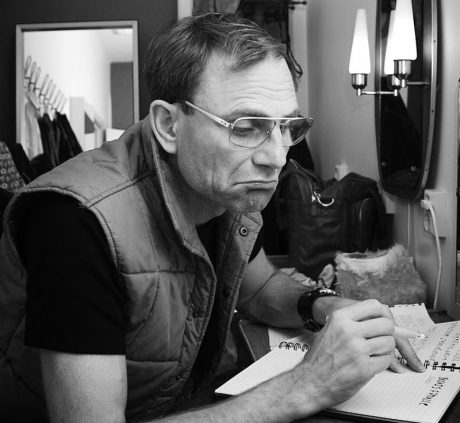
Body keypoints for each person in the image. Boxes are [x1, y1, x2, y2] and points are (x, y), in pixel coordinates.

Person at [0, 12, 424, 423]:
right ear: (169, 125)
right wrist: (308, 384)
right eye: (245, 127)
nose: (277, 158)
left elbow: (258, 289)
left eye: (287, 126)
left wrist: (323, 304)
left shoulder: (223, 189)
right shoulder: (76, 222)